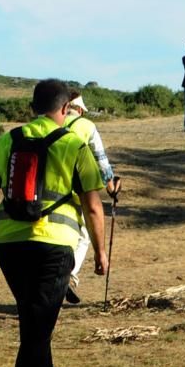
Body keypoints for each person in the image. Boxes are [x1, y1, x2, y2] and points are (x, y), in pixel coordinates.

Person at [0, 79, 108, 367]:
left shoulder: (7, 140)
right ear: (65, 110)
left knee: (35, 319)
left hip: (10, 244)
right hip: (54, 245)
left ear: (32, 106)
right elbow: (93, 206)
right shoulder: (73, 143)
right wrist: (100, 251)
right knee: (35, 329)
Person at [63, 91, 121, 304]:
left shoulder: (50, 122)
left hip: (48, 191)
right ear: (79, 110)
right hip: (79, 190)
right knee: (85, 233)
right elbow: (101, 161)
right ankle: (70, 275)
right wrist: (111, 186)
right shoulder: (86, 126)